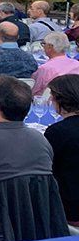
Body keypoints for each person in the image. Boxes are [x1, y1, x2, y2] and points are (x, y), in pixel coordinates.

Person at [44, 74, 79, 224]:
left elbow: (46, 169)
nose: (50, 100)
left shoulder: (57, 132)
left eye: (52, 97)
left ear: (61, 100)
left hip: (70, 209)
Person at [32, 32, 79, 97]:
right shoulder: (77, 64)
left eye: (44, 44)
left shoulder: (45, 69)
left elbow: (35, 92)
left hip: (53, 102)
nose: (43, 47)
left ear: (50, 47)